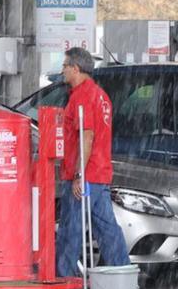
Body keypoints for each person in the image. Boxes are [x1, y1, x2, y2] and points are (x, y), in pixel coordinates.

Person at [55, 47, 129, 277]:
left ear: (76, 68)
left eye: (65, 66)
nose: (62, 71)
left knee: (71, 227)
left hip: (86, 175)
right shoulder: (100, 95)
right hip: (99, 173)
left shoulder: (82, 96)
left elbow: (86, 136)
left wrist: (79, 175)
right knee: (106, 229)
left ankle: (64, 277)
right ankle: (123, 272)